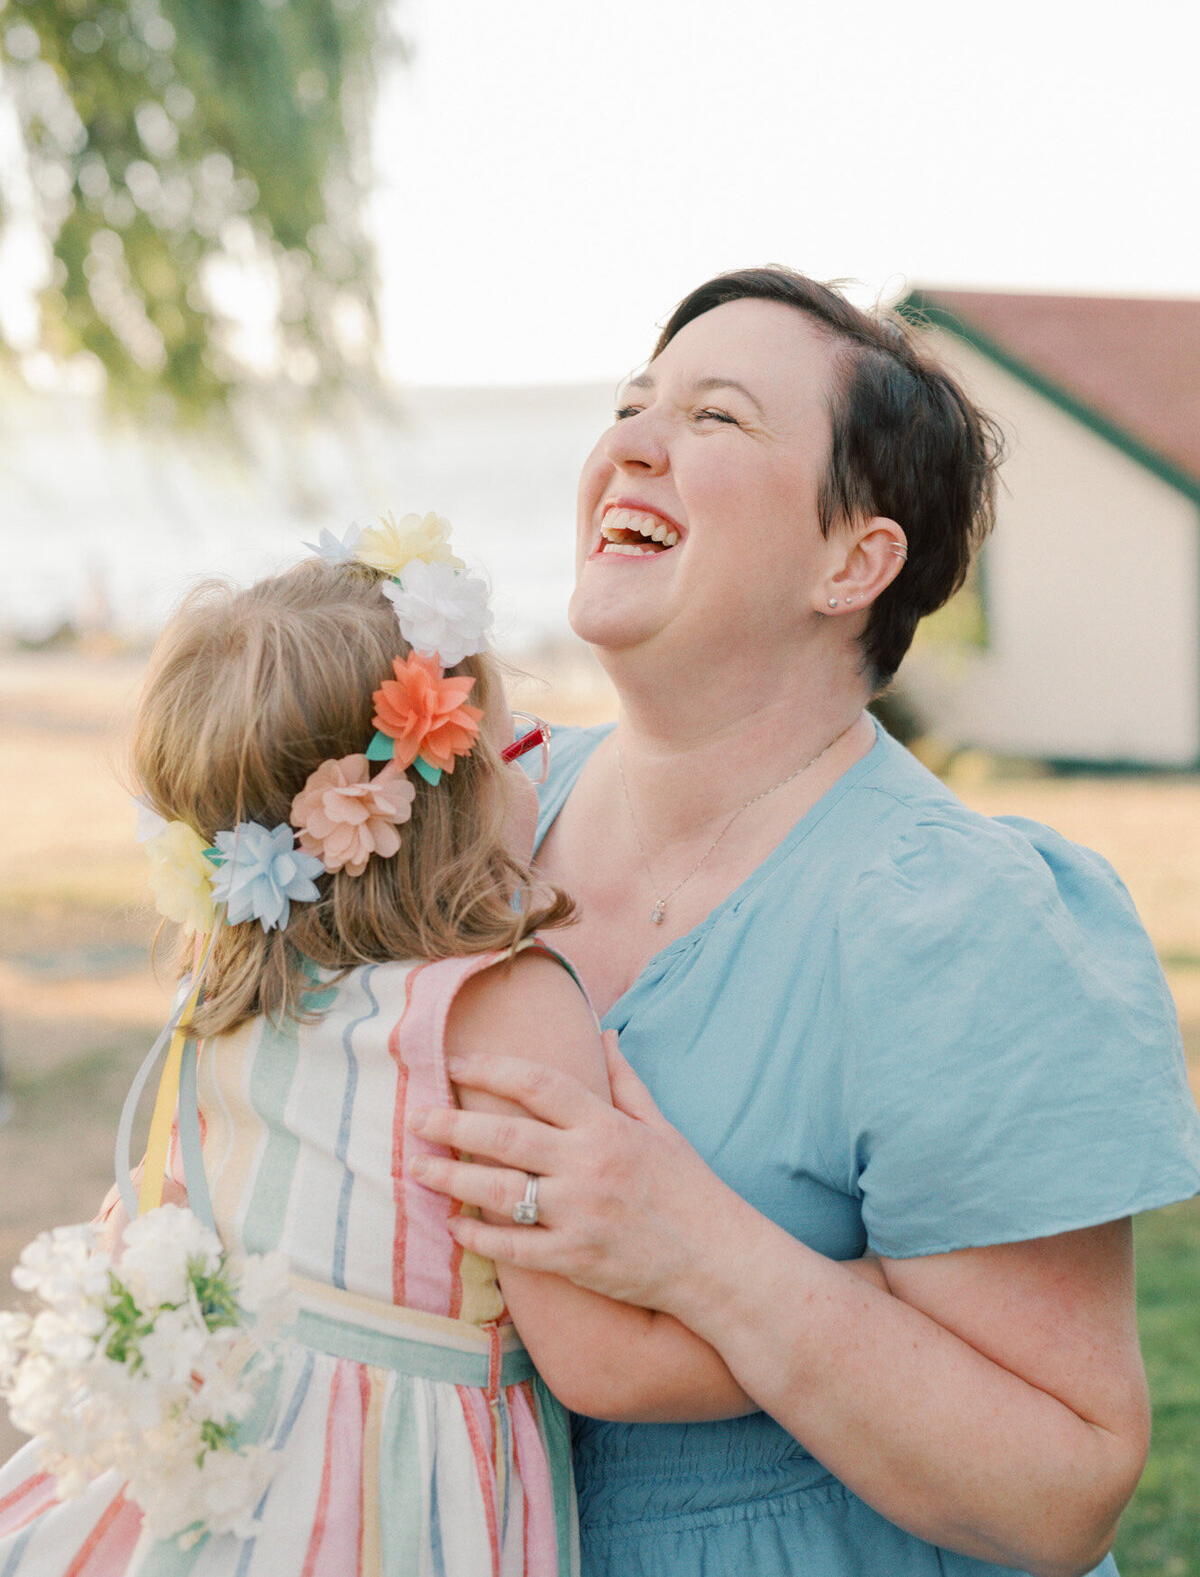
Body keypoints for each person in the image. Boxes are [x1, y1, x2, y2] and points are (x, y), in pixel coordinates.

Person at [409, 268, 1200, 1577]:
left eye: (717, 418)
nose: (631, 444)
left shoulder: (958, 919)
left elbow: (1060, 1489)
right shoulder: (477, 813)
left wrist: (688, 1239)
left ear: (856, 559)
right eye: (630, 403)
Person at [0, 526, 827, 1575]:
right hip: (385, 1514)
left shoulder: (230, 976)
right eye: (507, 751)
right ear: (449, 799)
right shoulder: (501, 1008)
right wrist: (815, 1336)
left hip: (208, 1505)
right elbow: (603, 1365)